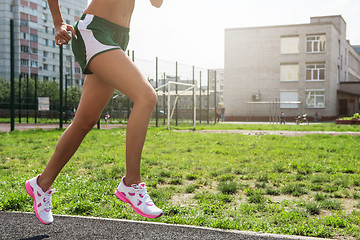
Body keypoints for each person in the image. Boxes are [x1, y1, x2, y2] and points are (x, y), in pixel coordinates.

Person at [25, 0, 164, 225]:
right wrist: (58, 22)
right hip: (95, 31)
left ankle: (41, 184)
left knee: (85, 121)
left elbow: (156, 3)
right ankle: (131, 183)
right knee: (146, 97)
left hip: (119, 36)